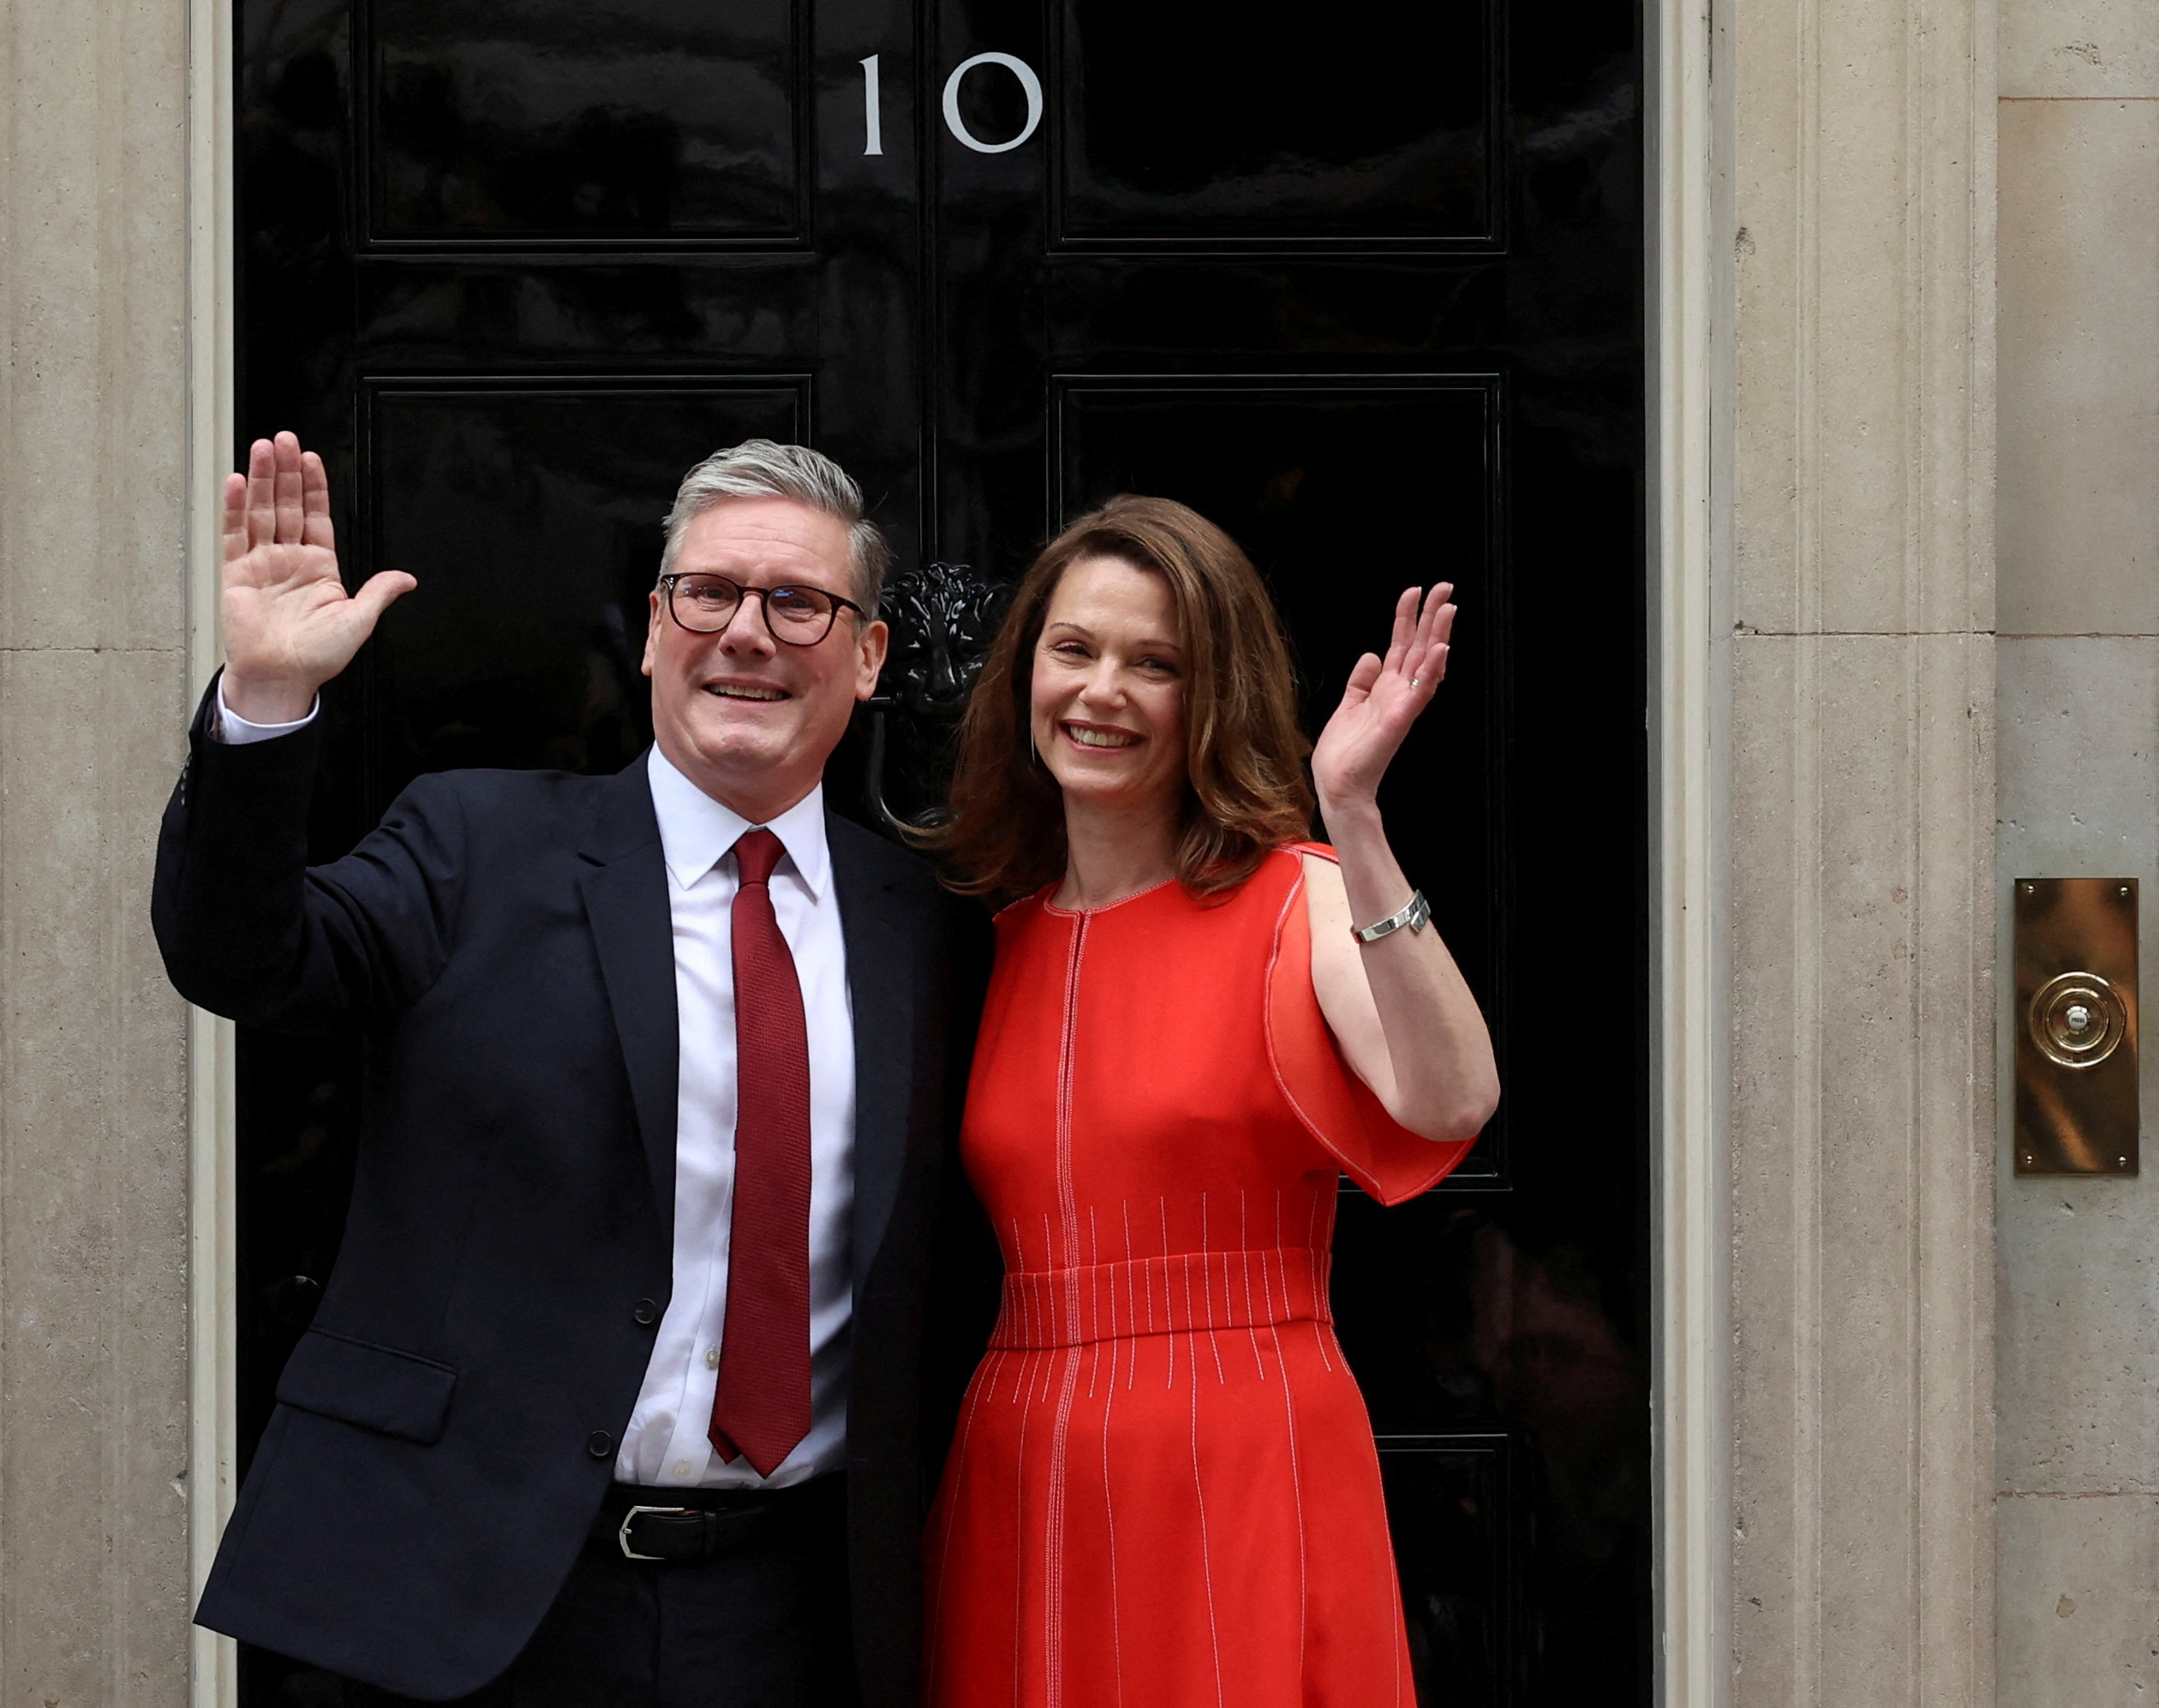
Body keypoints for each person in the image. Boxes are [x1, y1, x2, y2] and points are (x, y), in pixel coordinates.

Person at [152, 433, 985, 1705]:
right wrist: (265, 700)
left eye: (797, 602)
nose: (746, 633)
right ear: (652, 631)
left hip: (795, 1613)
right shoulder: (472, 843)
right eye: (708, 593)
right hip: (461, 1594)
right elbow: (241, 960)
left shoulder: (928, 929)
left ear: (868, 657)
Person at [918, 495, 1500, 1707]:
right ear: (1026, 673)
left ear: (1212, 696)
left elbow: (1451, 1098)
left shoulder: (1295, 896)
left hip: (1241, 1439)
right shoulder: (988, 942)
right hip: (1019, 1454)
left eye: (1155, 664)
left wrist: (1353, 815)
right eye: (1074, 649)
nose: (1102, 692)